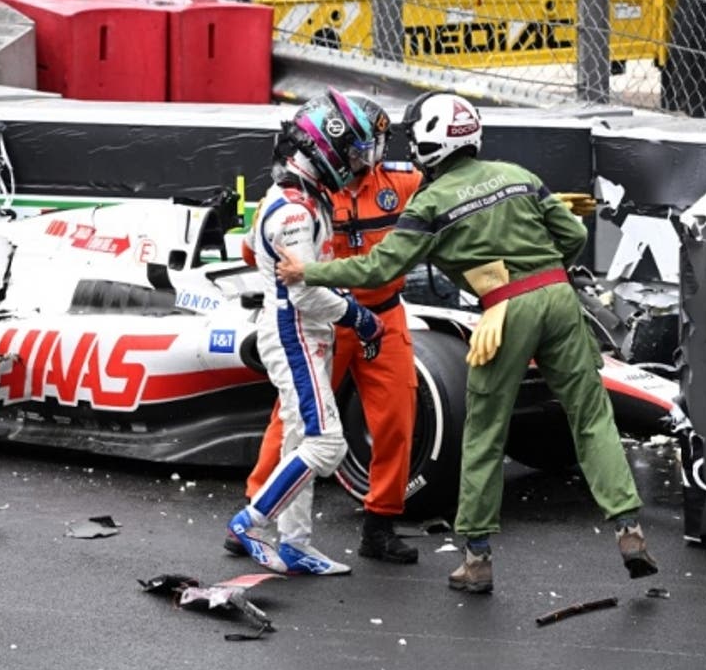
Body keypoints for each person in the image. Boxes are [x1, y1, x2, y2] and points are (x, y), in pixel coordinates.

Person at [274, 90, 659, 593]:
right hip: (560, 298)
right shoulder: (519, 174)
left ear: (428, 144)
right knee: (591, 417)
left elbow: (379, 268)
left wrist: (309, 271)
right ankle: (629, 527)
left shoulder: (429, 201)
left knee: (483, 434)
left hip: (503, 312)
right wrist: (537, 273)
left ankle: (477, 559)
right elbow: (573, 236)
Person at [231, 91, 423, 566]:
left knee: (397, 419)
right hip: (324, 317)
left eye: (371, 149)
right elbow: (257, 255)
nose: (367, 159)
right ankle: (257, 511)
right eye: (359, 150)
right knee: (296, 423)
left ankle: (380, 523)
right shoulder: (298, 198)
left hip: (382, 313)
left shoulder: (401, 181)